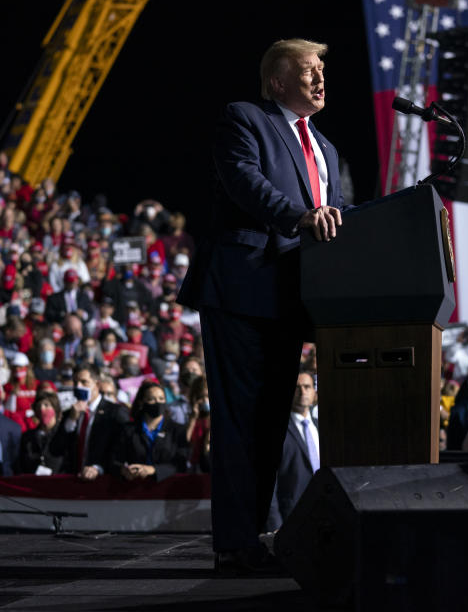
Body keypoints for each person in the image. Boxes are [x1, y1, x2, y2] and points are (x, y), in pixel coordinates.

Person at [178, 38, 344, 572]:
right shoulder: (245, 119)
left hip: (291, 296)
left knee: (272, 420)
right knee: (241, 418)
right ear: (277, 82)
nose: (320, 78)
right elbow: (245, 183)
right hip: (242, 285)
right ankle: (233, 542)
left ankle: (255, 534)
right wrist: (298, 215)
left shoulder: (326, 147)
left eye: (322, 69)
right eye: (308, 70)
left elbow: (337, 215)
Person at [51, 364, 130, 480]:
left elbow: (121, 450)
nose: (78, 386)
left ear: (97, 384)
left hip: (102, 482)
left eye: (84, 382)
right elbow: (56, 449)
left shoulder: (115, 412)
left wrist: (99, 468)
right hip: (73, 480)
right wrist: (71, 420)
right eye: (75, 382)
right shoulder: (70, 413)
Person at [268, 372, 320, 531]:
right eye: (297, 388)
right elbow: (271, 484)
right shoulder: (277, 431)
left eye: (307, 387)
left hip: (323, 513)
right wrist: (276, 525)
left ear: (314, 393)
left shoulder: (321, 426)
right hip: (291, 518)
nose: (302, 392)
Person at [110, 382, 189, 482]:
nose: (157, 402)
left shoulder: (178, 430)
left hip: (168, 489)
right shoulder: (129, 429)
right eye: (151, 399)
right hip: (134, 489)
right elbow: (115, 460)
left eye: (161, 399)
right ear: (141, 402)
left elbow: (181, 463)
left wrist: (154, 470)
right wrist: (124, 470)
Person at [18, 391, 66, 474]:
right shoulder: (28, 437)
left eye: (46, 405)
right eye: (38, 406)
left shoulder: (64, 434)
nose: (42, 409)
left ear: (55, 409)